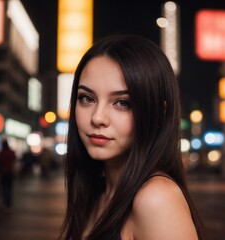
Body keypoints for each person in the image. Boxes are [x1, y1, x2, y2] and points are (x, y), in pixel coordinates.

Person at [59, 35, 205, 240]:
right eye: (87, 98)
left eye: (122, 103)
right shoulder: (96, 192)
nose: (98, 118)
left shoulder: (156, 198)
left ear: (159, 113)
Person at [0, 140, 17, 212]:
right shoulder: (11, 152)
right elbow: (14, 161)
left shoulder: (1, 153)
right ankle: (9, 204)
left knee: (4, 189)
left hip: (3, 173)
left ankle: (5, 204)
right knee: (10, 189)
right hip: (10, 172)